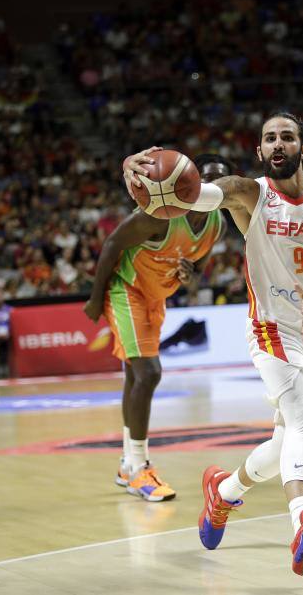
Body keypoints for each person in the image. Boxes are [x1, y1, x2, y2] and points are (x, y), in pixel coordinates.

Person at [122, 111, 303, 577]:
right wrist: (136, 172)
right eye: (269, 138)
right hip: (274, 327)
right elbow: (190, 194)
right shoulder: (248, 193)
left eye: (288, 137)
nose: (278, 144)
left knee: (289, 440)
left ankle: (225, 492)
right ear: (259, 151)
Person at [83, 154, 230, 502]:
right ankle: (139, 468)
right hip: (126, 289)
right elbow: (112, 244)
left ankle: (127, 463)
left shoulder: (218, 224)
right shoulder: (158, 217)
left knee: (136, 376)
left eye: (221, 180)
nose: (213, 186)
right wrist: (95, 297)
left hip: (157, 296)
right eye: (206, 178)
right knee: (148, 373)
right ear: (191, 180)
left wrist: (190, 273)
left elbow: (197, 267)